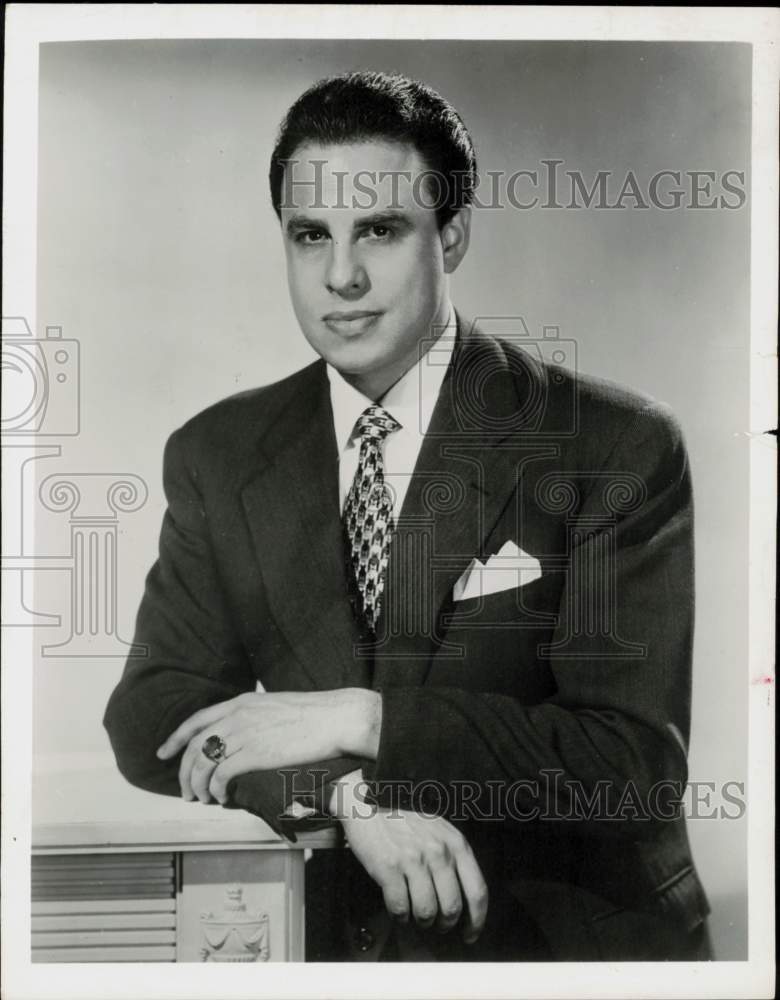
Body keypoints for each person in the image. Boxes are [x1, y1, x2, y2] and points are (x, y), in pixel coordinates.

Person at [104, 70, 711, 961]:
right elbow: (153, 714)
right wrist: (348, 798)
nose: (340, 277)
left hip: (572, 952)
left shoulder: (614, 445)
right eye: (310, 236)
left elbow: (630, 770)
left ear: (452, 235)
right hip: (344, 947)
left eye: (380, 231)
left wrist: (364, 717)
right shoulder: (219, 453)